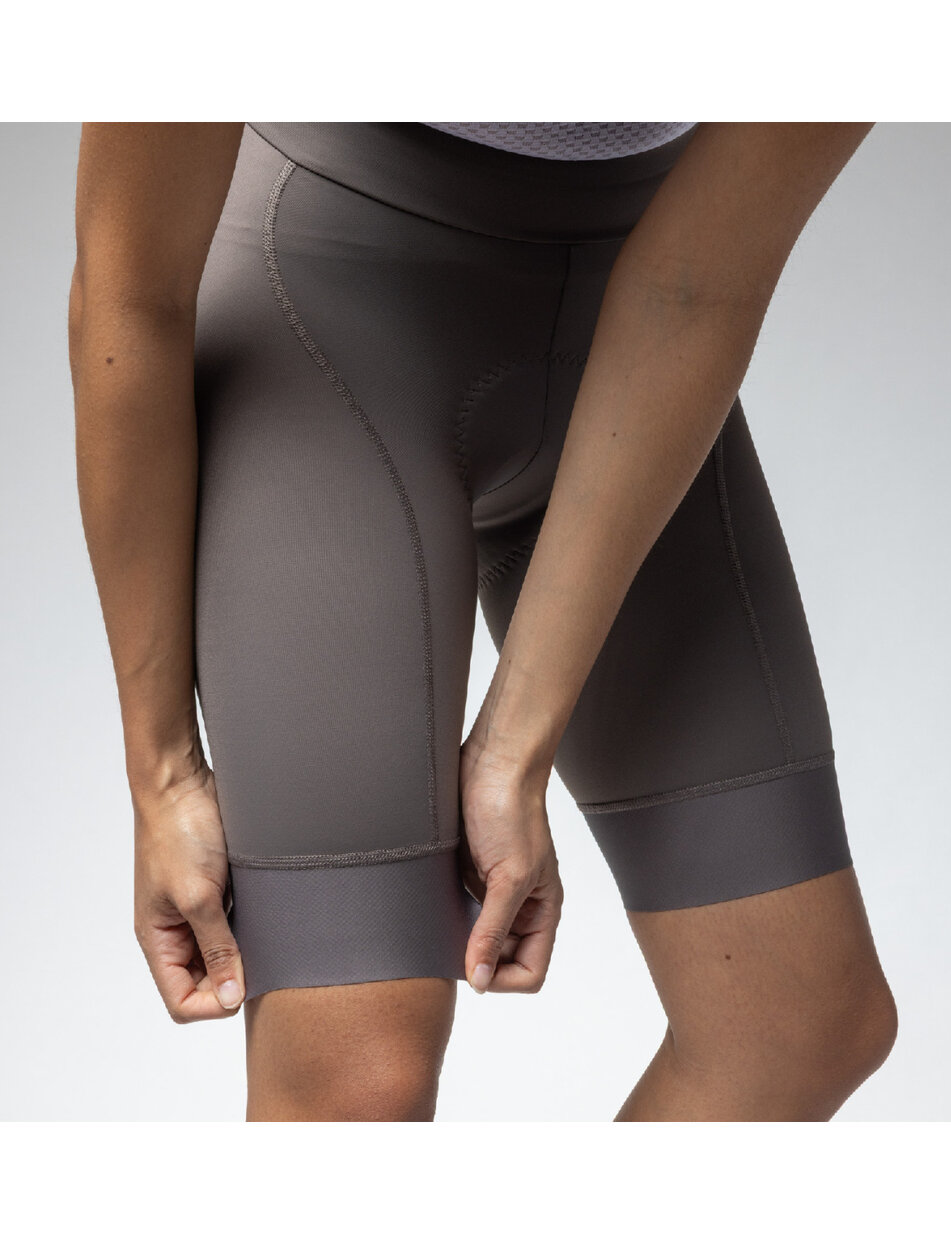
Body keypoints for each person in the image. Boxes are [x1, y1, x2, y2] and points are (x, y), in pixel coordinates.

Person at [68, 120, 897, 1122]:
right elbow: (131, 289)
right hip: (329, 332)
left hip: (643, 331)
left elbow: (698, 286)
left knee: (794, 1023)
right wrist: (162, 772)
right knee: (358, 1083)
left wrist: (515, 745)